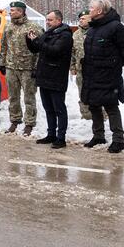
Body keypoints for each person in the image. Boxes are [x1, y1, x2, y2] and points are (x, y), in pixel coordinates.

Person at [81, 0, 124, 154]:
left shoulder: (116, 27)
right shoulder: (92, 28)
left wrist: (112, 65)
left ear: (99, 11)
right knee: (93, 105)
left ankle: (118, 140)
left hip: (108, 75)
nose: (89, 10)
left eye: (91, 8)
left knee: (111, 106)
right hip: (91, 74)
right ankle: (98, 136)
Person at [26, 10, 74, 149]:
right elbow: (36, 49)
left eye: (50, 20)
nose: (47, 22)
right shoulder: (49, 33)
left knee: (59, 108)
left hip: (56, 76)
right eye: (47, 20)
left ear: (59, 21)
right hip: (45, 76)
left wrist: (37, 41)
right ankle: (51, 134)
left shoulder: (65, 36)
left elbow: (54, 51)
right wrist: (30, 40)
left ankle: (61, 137)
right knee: (48, 108)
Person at [0, 1, 43, 136]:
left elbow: (39, 49)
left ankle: (29, 123)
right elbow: (4, 46)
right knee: (13, 96)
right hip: (11, 66)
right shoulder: (8, 27)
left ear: (21, 11)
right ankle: (14, 120)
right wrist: (2, 63)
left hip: (27, 68)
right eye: (11, 10)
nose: (11, 13)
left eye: (13, 10)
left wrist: (36, 67)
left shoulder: (33, 27)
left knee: (29, 97)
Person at [71, 10, 93, 120]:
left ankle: (101, 115)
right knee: (82, 92)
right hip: (80, 70)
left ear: (91, 18)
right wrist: (72, 67)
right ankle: (86, 116)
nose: (81, 20)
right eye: (80, 18)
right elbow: (72, 52)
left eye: (83, 18)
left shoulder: (96, 31)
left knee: (96, 93)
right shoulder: (76, 34)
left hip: (95, 70)